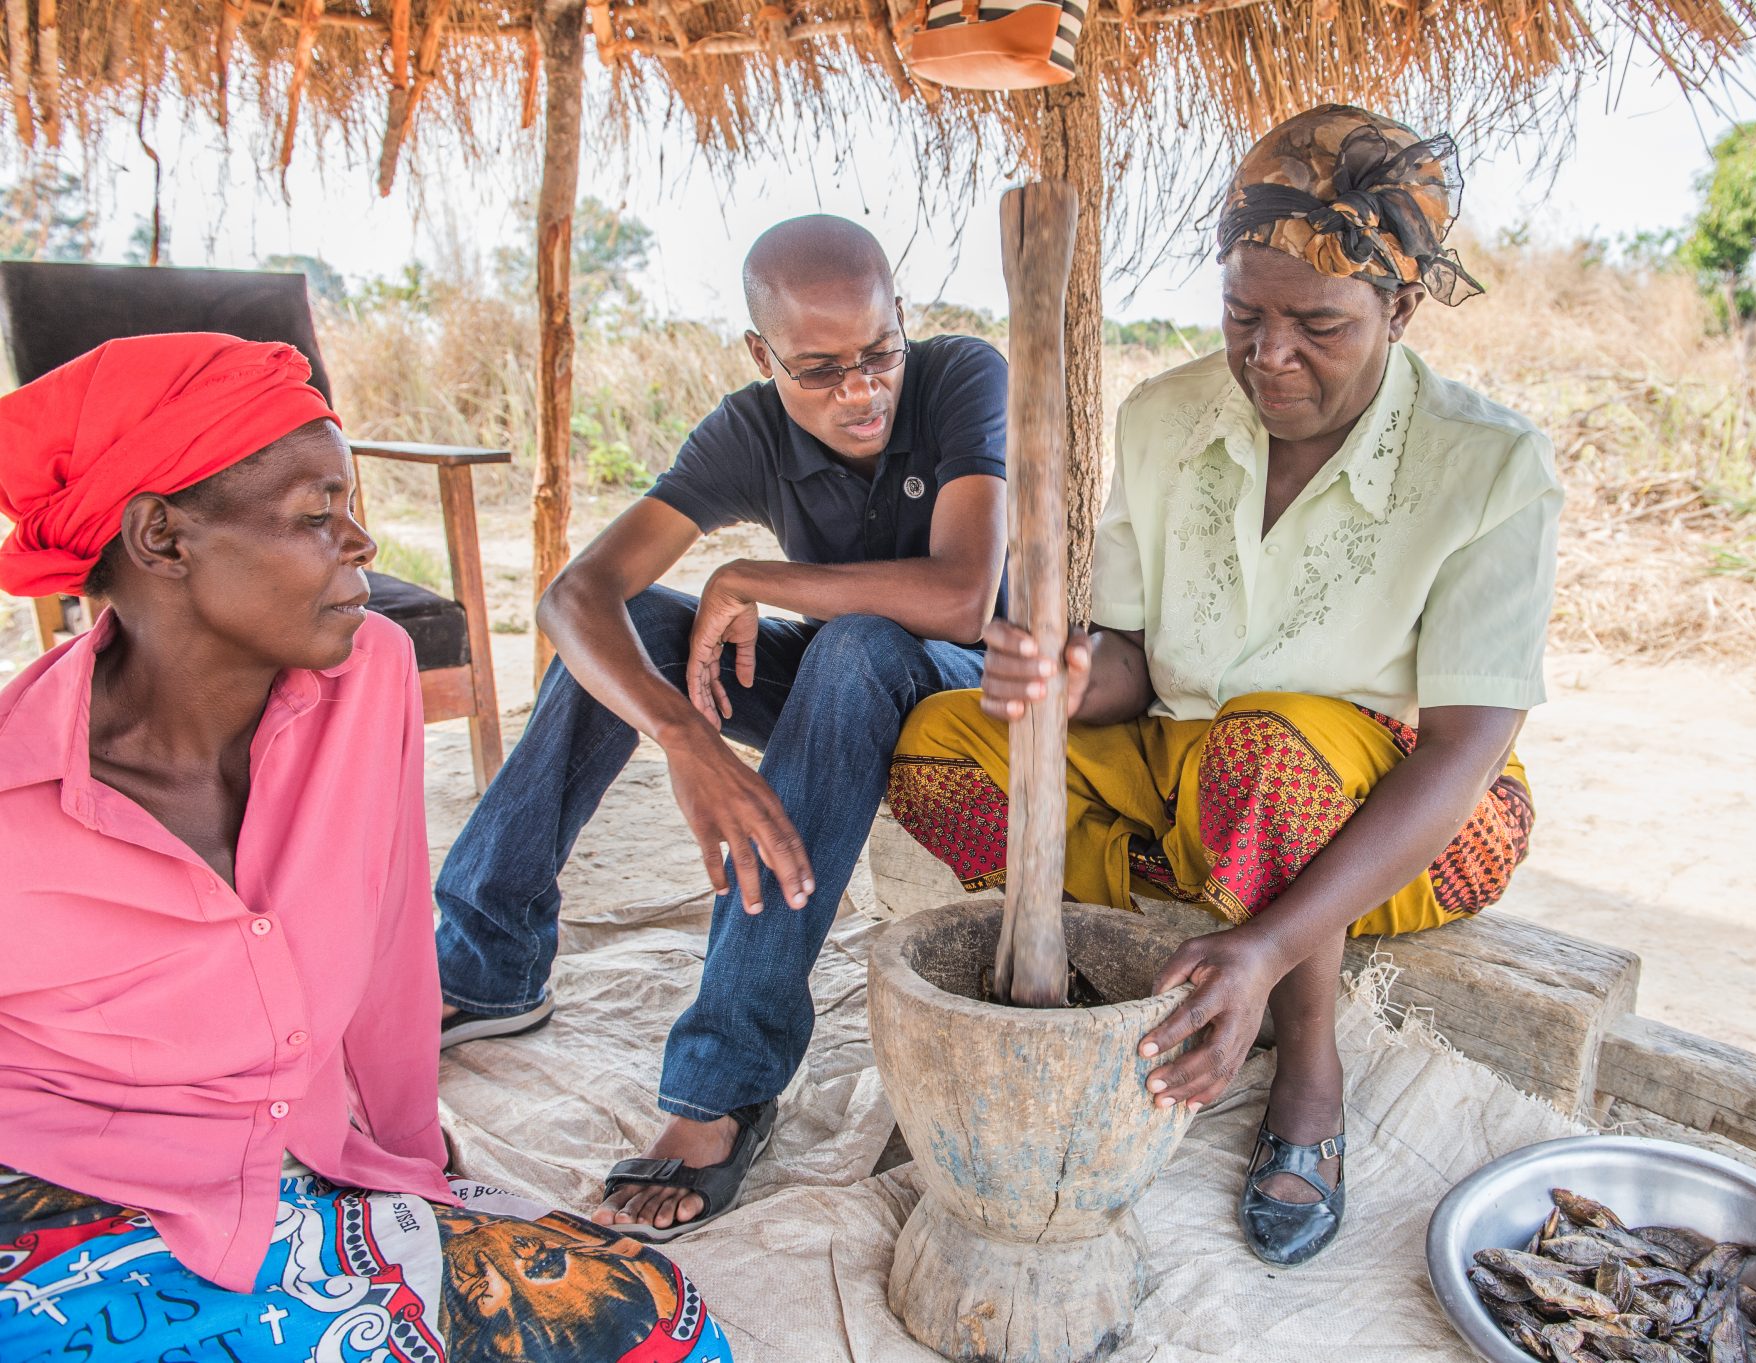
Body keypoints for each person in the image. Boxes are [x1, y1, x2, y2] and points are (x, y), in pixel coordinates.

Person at [889, 106, 1559, 1268]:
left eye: (1318, 325)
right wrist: (1067, 676)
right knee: (939, 744)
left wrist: (1266, 948)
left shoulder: (1487, 463)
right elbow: (1132, 661)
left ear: (1400, 311)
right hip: (1184, 775)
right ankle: (1140, 949)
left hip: (1410, 811)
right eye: (1243, 315)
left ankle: (1306, 1067)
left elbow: (1464, 746)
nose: (1269, 356)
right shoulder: (1164, 418)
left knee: (1268, 755)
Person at [0, 333, 730, 1360]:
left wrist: (411, 1164)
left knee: (657, 1324)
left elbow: (390, 955)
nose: (361, 543)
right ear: (162, 537)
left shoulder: (367, 677)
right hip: (60, 1206)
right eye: (317, 515)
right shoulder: (17, 794)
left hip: (298, 1178)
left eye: (351, 507)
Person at [434, 215, 1008, 1238]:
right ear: (759, 353)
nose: (860, 391)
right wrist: (684, 736)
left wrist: (746, 576)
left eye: (878, 352)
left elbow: (964, 598)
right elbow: (574, 595)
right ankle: (484, 960)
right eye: (818, 369)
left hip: (970, 692)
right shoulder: (747, 432)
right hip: (839, 684)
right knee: (642, 628)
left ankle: (724, 1083)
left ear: (902, 319)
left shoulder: (961, 375)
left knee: (852, 645)